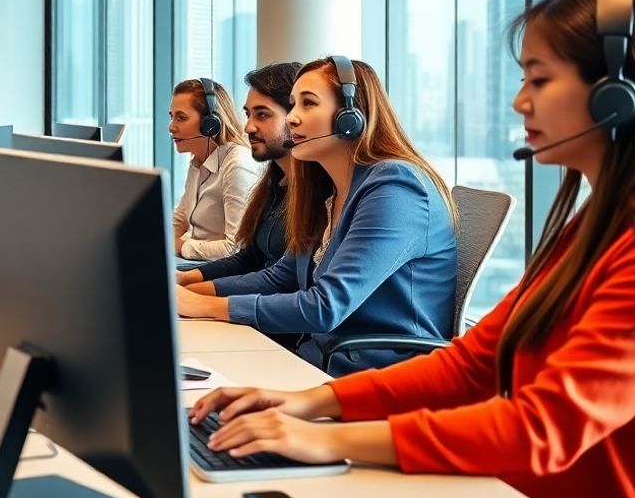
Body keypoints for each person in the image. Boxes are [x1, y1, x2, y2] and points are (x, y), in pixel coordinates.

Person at [188, 0, 635, 498]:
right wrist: (309, 405)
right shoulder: (597, 227)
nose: (519, 101)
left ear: (618, 96)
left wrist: (326, 439)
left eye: (540, 78)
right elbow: (474, 362)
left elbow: (544, 427)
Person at [176, 57, 457, 376]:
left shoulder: (396, 188)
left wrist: (204, 306)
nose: (293, 118)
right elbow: (280, 278)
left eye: (308, 104)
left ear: (351, 116)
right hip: (319, 361)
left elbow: (326, 306)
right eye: (293, 104)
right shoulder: (328, 189)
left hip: (376, 376)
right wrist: (182, 293)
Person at [177, 62, 302, 287]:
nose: (248, 128)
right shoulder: (274, 181)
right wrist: (184, 280)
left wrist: (197, 297)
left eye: (262, 115)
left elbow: (282, 280)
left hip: (269, 309)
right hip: (254, 300)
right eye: (248, 115)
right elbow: (249, 257)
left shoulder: (240, 162)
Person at [169, 78, 262, 261]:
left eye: (181, 117)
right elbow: (180, 218)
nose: (171, 127)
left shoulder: (237, 165)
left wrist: (182, 246)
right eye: (171, 116)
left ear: (211, 123)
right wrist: (157, 239)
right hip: (191, 261)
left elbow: (236, 248)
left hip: (216, 270)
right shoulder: (198, 161)